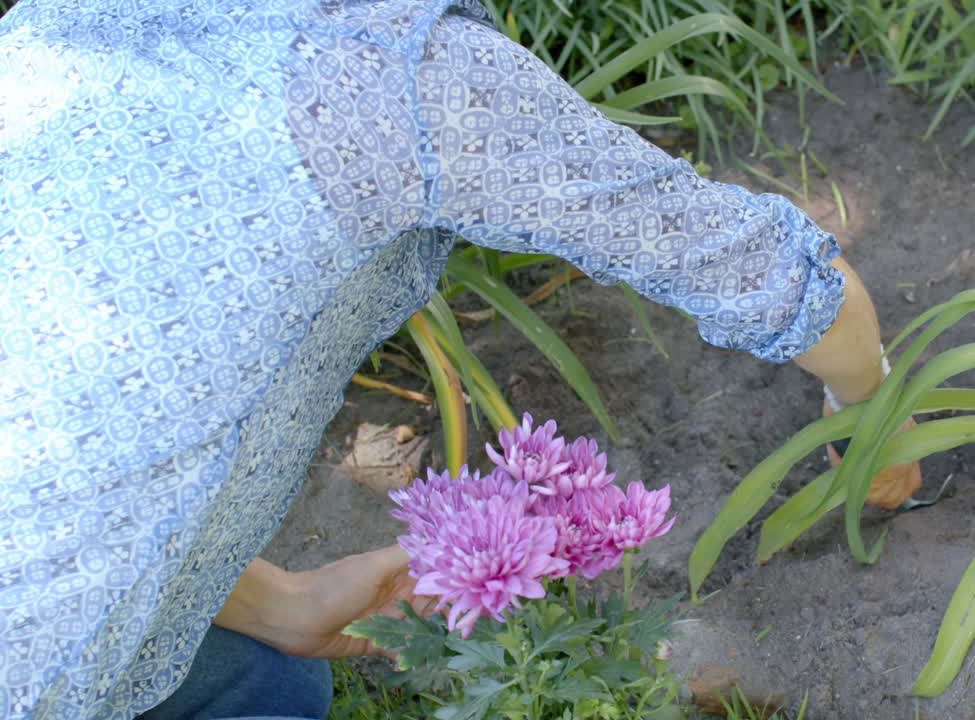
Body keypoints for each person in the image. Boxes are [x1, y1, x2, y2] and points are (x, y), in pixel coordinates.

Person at [0, 0, 921, 717]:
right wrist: (876, 419)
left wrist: (280, 601)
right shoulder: (400, 77)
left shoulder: (62, 32)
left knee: (268, 683)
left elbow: (70, 459)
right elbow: (780, 278)